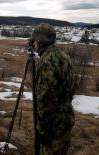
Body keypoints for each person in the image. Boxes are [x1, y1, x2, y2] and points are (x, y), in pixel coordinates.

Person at [31, 23, 75, 155]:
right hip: (65, 119)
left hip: (53, 127)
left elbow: (45, 99)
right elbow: (70, 89)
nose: (33, 44)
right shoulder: (63, 55)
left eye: (34, 41)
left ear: (40, 41)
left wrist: (43, 131)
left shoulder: (47, 61)